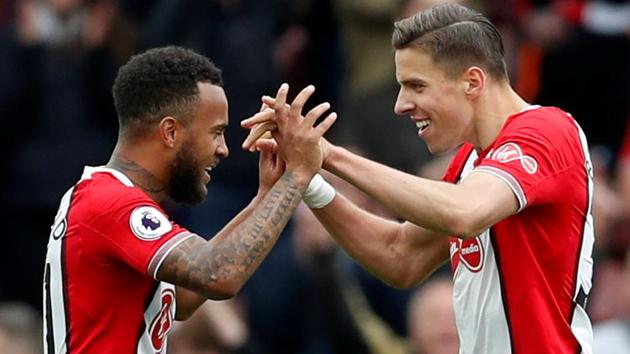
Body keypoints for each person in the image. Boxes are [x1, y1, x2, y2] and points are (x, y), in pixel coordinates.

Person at [242, 3, 595, 353]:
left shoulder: (547, 131)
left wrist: (330, 156)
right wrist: (308, 178)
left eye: (416, 86)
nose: (400, 105)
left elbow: (465, 213)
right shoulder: (471, 162)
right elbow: (400, 256)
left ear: (472, 82)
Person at [42, 46, 336, 353]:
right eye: (216, 132)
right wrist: (297, 176)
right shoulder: (111, 202)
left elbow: (183, 298)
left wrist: (265, 197)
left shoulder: (106, 199)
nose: (223, 149)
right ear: (170, 132)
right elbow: (218, 274)